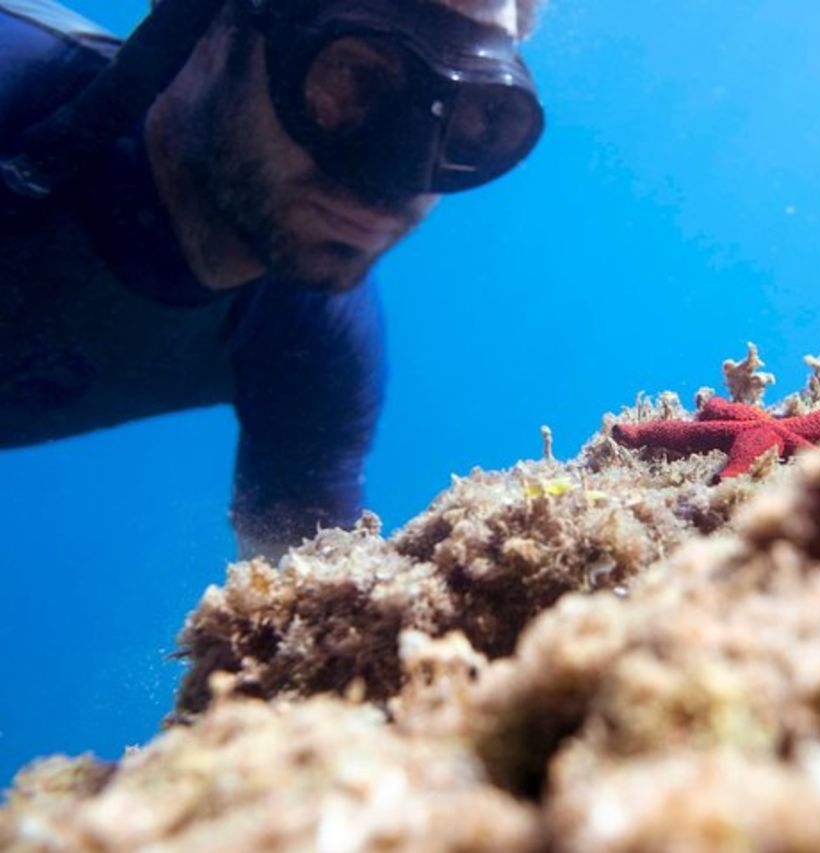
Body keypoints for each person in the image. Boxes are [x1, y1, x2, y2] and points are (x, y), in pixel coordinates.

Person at [0, 0, 545, 559]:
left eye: (476, 117)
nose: (396, 179)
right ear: (203, 28)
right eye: (355, 72)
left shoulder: (313, 346)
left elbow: (303, 614)